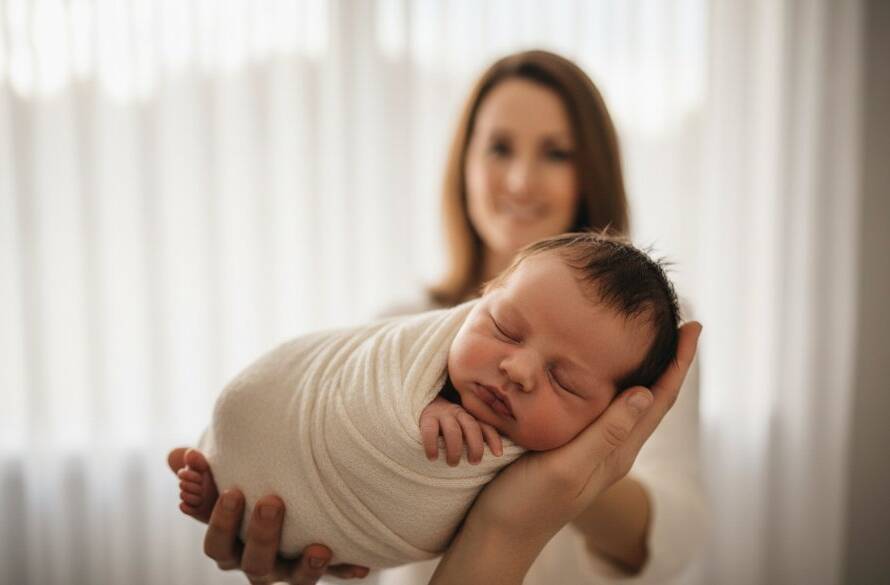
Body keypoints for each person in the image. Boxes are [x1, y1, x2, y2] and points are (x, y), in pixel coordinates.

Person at [168, 49, 705, 584]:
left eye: (556, 154)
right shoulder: (402, 327)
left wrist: (573, 466)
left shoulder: (644, 344)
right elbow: (358, 493)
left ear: (592, 172)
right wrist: (310, 512)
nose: (520, 180)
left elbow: (672, 539)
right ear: (464, 162)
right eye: (499, 148)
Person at [176, 233, 681, 570]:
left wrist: (585, 477)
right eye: (504, 328)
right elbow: (363, 396)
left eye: (565, 381)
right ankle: (216, 484)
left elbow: (679, 541)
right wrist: (427, 407)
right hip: (269, 418)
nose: (519, 370)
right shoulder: (409, 332)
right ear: (483, 299)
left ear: (616, 410)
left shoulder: (632, 354)